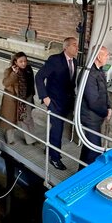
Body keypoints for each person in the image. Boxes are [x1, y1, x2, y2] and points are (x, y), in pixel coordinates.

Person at [35, 37, 78, 170]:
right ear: (66, 47)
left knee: (56, 128)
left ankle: (49, 148)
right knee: (58, 129)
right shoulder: (54, 60)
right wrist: (45, 97)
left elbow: (70, 83)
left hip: (66, 102)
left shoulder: (74, 62)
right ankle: (55, 158)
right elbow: (39, 77)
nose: (77, 48)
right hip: (54, 102)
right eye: (74, 45)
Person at [78, 46, 112, 169]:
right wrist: (105, 112)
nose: (108, 57)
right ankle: (88, 180)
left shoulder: (99, 70)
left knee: (88, 148)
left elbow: (104, 92)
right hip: (89, 118)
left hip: (96, 117)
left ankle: (80, 173)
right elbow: (93, 101)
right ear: (98, 56)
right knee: (95, 150)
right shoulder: (89, 74)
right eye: (106, 55)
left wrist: (109, 106)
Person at [0, 52, 36, 145]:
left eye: (25, 61)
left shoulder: (28, 69)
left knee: (26, 118)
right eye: (21, 61)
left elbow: (31, 83)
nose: (23, 63)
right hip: (12, 99)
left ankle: (30, 140)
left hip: (26, 98)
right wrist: (14, 74)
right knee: (10, 118)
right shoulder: (9, 71)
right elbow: (5, 83)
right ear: (15, 62)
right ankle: (10, 139)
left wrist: (32, 95)